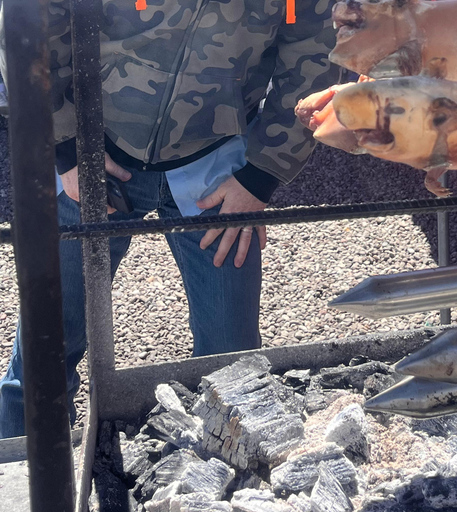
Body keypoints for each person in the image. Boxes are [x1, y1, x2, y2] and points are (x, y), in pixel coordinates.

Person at [0, 0, 340, 438]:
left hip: (219, 169)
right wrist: (64, 145)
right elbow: (29, 21)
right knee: (43, 354)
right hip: (91, 151)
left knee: (232, 364)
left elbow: (313, 56)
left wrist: (261, 176)